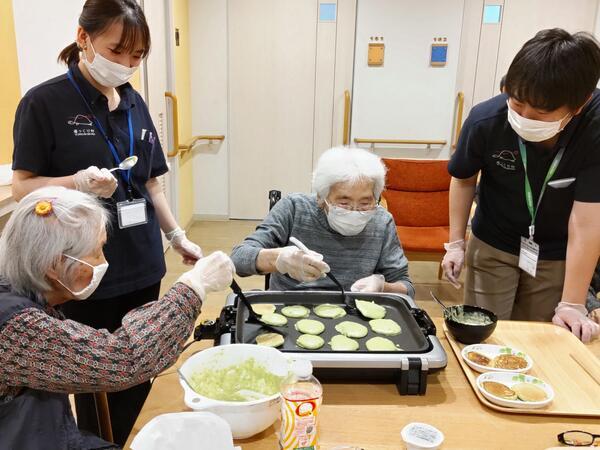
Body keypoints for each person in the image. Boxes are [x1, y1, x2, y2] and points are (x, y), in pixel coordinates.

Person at [10, 0, 203, 443]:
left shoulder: (134, 102)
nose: (128, 64)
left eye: (137, 57)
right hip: (81, 271)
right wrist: (75, 182)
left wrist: (176, 236)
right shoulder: (44, 102)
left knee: (142, 361)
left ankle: (114, 436)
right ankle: (95, 439)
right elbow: (22, 186)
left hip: (142, 261)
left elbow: (151, 183)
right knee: (96, 373)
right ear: (84, 38)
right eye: (118, 52)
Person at [0, 186, 235, 449]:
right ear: (55, 265)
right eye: (97, 251)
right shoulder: (14, 328)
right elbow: (123, 357)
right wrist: (194, 286)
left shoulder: (21, 289)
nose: (104, 262)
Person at [442, 28, 600, 343]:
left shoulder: (595, 131)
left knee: (541, 337)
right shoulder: (486, 119)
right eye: (516, 102)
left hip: (557, 252)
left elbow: (587, 221)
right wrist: (456, 243)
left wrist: (572, 303)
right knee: (483, 333)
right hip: (493, 241)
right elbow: (463, 178)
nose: (525, 116)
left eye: (540, 112)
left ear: (578, 105)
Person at [231, 146, 414, 296]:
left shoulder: (382, 221)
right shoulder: (295, 208)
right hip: (290, 306)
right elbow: (239, 259)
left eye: (365, 203)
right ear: (321, 197)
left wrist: (382, 286)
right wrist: (279, 260)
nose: (355, 211)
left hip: (353, 311)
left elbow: (406, 287)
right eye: (344, 203)